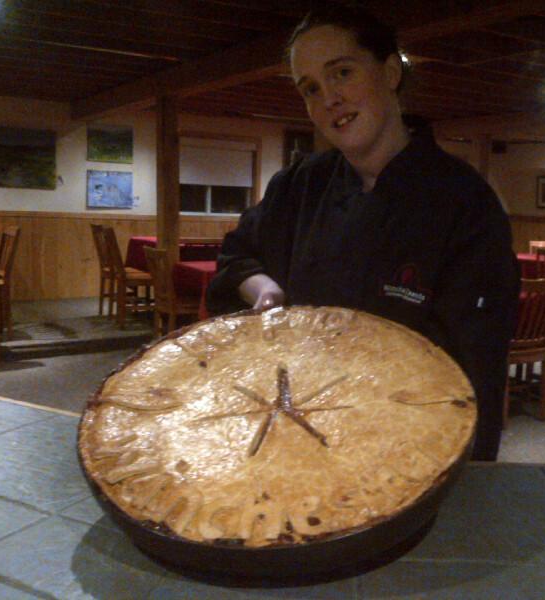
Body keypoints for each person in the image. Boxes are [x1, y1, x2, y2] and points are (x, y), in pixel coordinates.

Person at [206, 5, 520, 461]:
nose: (328, 97)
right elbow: (237, 258)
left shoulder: (464, 202)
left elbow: (477, 366)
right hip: (299, 428)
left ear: (390, 71)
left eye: (342, 73)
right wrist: (264, 287)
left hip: (404, 444)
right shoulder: (298, 185)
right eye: (310, 88)